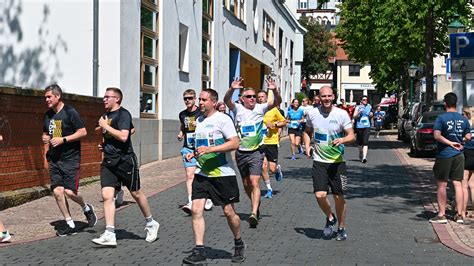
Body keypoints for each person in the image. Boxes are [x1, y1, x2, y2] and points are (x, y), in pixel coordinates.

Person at [182, 89, 245, 264]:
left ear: (214, 102)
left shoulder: (223, 119)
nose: (200, 103)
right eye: (200, 100)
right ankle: (200, 249)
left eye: (204, 100)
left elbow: (234, 143)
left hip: (223, 174)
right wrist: (193, 155)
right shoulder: (199, 121)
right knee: (196, 209)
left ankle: (238, 242)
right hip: (202, 174)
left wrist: (209, 150)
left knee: (228, 212)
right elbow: (202, 145)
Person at [93, 87, 160, 246]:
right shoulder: (106, 115)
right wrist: (105, 144)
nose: (104, 99)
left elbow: (124, 136)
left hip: (125, 160)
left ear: (117, 99)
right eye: (104, 96)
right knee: (107, 196)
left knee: (136, 193)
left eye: (107, 97)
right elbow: (108, 133)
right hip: (109, 161)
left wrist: (105, 126)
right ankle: (110, 232)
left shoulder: (123, 114)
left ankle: (151, 223)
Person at [224, 76, 281, 228]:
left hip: (257, 151)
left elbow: (277, 102)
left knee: (255, 181)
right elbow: (226, 100)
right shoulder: (237, 108)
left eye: (254, 96)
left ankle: (254, 213)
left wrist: (274, 90)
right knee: (246, 184)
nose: (252, 99)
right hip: (241, 152)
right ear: (242, 99)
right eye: (248, 96)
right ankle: (256, 204)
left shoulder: (260, 108)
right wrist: (232, 89)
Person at [42, 84, 97, 237]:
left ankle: (86, 207)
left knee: (70, 192)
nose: (46, 99)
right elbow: (48, 134)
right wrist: (46, 138)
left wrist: (64, 140)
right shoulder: (48, 115)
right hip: (54, 159)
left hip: (70, 159)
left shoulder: (70, 112)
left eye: (49, 97)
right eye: (45, 97)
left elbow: (83, 132)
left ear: (57, 96)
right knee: (58, 192)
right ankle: (69, 223)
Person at [302, 86, 355, 241]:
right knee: (320, 195)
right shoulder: (312, 113)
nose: (326, 99)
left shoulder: (341, 114)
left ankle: (341, 227)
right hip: (319, 161)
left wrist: (343, 140)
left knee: (339, 197)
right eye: (323, 96)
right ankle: (330, 217)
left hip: (338, 163)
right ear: (319, 97)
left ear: (333, 97)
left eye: (329, 96)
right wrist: (307, 146)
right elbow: (307, 131)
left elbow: (351, 135)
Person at [430, 93, 471, 224]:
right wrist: (460, 141)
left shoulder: (441, 118)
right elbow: (469, 137)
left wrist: (449, 143)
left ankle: (441, 215)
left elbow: (436, 135)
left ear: (445, 104)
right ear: (456, 103)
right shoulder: (463, 119)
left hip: (444, 154)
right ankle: (459, 215)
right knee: (458, 184)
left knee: (442, 184)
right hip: (459, 155)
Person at [177, 89, 213, 214]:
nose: (187, 100)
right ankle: (191, 201)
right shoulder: (182, 114)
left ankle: (207, 197)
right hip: (188, 147)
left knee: (203, 173)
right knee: (189, 174)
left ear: (194, 99)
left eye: (190, 98)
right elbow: (183, 125)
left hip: (201, 147)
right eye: (185, 98)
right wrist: (181, 133)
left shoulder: (201, 113)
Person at [257, 91, 286, 199]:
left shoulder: (274, 110)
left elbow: (284, 122)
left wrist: (274, 124)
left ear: (266, 98)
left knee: (272, 169)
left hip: (271, 142)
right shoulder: (256, 110)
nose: (260, 99)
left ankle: (277, 169)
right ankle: (269, 189)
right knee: (263, 167)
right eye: (258, 97)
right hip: (260, 142)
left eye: (262, 97)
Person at [462, 107, 474, 220]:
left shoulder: (465, 124)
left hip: (467, 153)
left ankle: (463, 211)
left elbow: (464, 139)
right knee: (473, 185)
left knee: (464, 184)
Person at [353, 95, 373, 163]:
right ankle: (360, 152)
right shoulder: (357, 107)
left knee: (365, 142)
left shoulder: (369, 106)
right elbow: (354, 116)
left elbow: (371, 114)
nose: (365, 101)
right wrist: (359, 112)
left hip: (367, 126)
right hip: (359, 126)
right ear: (361, 100)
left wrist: (371, 114)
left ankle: (364, 157)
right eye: (364, 100)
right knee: (360, 143)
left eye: (366, 100)